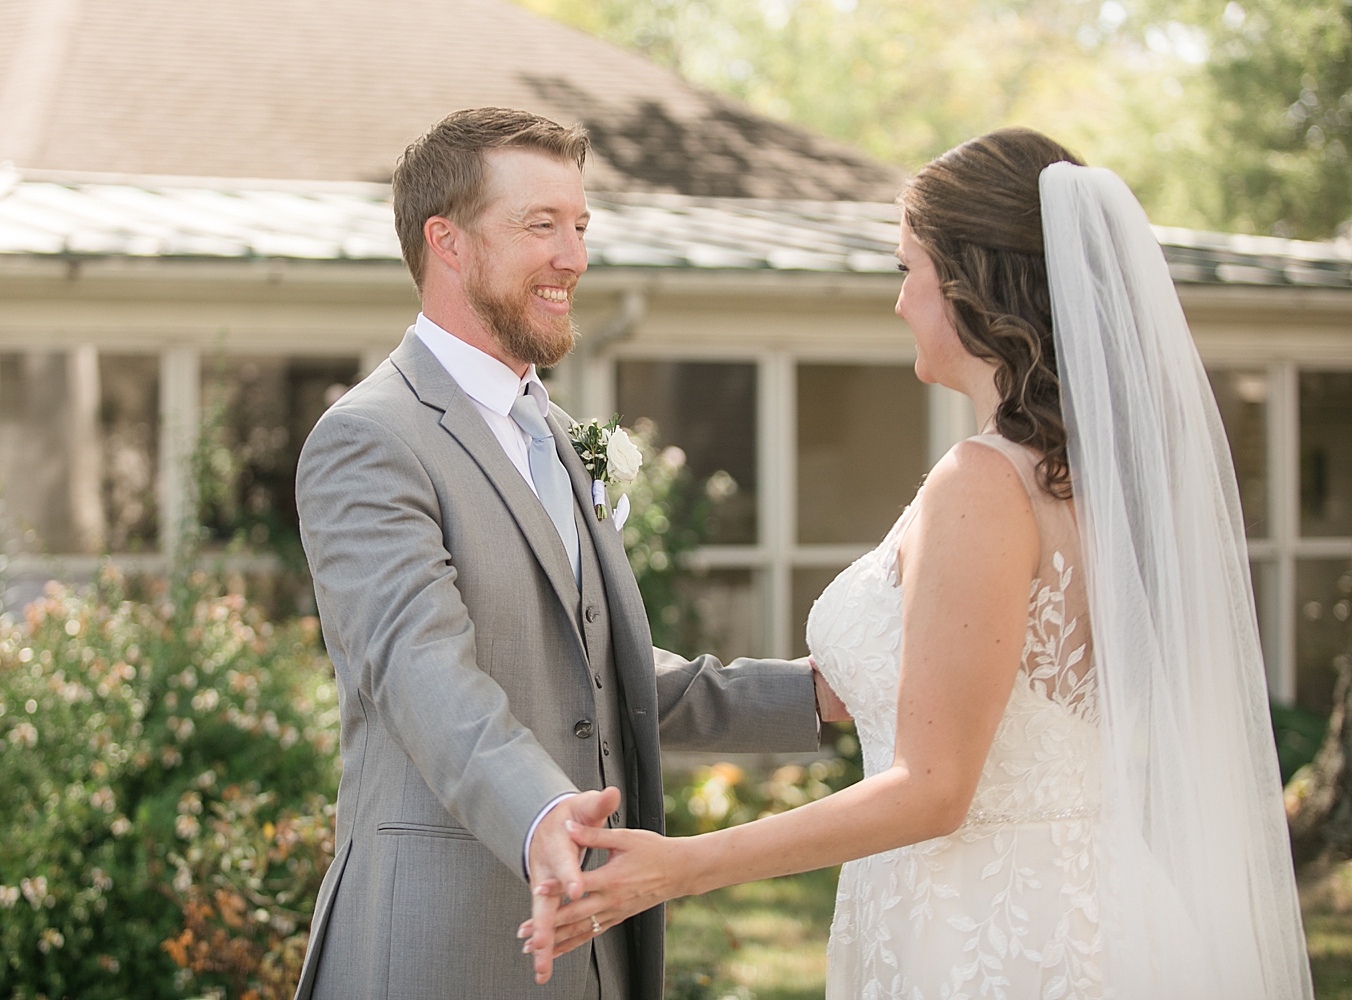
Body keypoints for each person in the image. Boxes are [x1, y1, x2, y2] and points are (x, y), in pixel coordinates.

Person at [526, 128, 1312, 999]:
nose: (899, 301)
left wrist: (680, 866)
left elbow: (934, 788)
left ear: (973, 286)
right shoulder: (1093, 479)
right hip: (1079, 896)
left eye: (909, 270)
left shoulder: (984, 484)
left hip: (994, 932)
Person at [292, 107, 842, 1000]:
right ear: (450, 243)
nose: (574, 258)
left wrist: (809, 696)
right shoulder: (371, 438)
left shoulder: (551, 431)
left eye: (580, 227)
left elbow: (595, 679)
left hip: (597, 955)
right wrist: (541, 809)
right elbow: (418, 666)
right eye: (541, 225)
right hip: (443, 948)